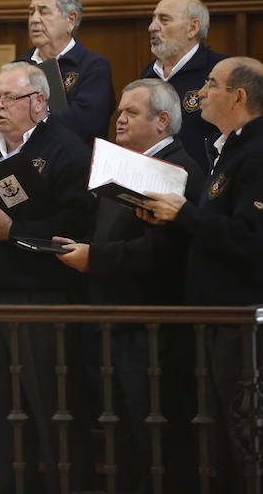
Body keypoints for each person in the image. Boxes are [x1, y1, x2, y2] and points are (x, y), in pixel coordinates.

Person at [0, 61, 95, 494]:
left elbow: (79, 224)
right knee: (1, 417)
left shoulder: (67, 150)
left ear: (40, 103)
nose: (0, 106)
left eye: (10, 98)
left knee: (55, 414)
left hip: (46, 300)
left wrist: (15, 233)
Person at [57, 78, 204, 493]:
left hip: (153, 330)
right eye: (119, 111)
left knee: (158, 447)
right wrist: (79, 247)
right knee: (125, 445)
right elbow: (108, 233)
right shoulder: (125, 164)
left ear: (162, 121)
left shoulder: (175, 170)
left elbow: (161, 253)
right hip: (116, 323)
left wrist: (94, 258)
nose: (119, 119)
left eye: (131, 113)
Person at [140, 56, 263, 494]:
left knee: (244, 437)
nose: (200, 93)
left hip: (241, 318)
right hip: (215, 313)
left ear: (239, 96)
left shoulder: (256, 152)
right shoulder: (227, 147)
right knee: (220, 435)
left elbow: (250, 238)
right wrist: (174, 219)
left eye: (211, 84)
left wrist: (185, 213)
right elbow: (213, 228)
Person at [16, 0, 116, 145]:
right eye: (31, 12)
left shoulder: (93, 66)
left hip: (76, 164)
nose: (34, 19)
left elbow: (84, 123)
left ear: (71, 20)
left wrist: (23, 117)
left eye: (44, 12)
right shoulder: (18, 67)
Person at [141, 0, 228, 169]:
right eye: (153, 19)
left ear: (192, 28)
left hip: (201, 188)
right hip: (151, 183)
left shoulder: (220, 71)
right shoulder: (149, 73)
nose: (152, 27)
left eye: (164, 20)